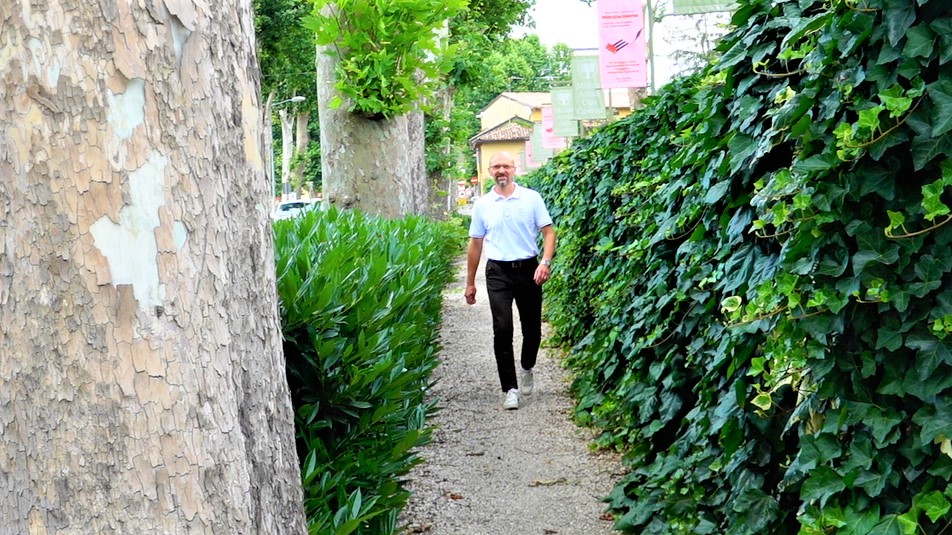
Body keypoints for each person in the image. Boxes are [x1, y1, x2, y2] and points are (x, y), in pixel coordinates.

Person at [465, 151, 556, 410]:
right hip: (498, 272)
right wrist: (470, 283)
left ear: (514, 169)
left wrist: (545, 263)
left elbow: (549, 233)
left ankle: (527, 366)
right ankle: (510, 389)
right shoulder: (483, 204)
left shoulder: (531, 198)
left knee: (532, 330)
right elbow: (475, 244)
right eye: (496, 166)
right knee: (502, 328)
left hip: (529, 269)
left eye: (505, 166)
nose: (501, 170)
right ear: (489, 171)